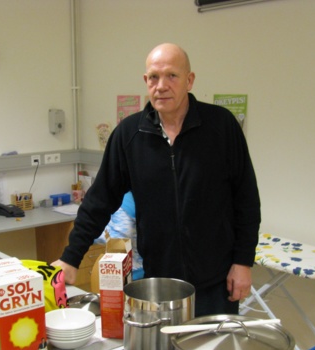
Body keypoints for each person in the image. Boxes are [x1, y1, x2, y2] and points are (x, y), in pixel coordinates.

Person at [52, 43, 261, 316]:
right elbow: (99, 201)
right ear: (146, 81)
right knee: (161, 346)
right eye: (154, 77)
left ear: (189, 80)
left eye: (172, 75)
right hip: (158, 284)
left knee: (211, 344)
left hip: (216, 282)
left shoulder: (221, 126)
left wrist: (243, 262)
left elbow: (246, 199)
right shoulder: (129, 135)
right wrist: (71, 258)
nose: (161, 86)